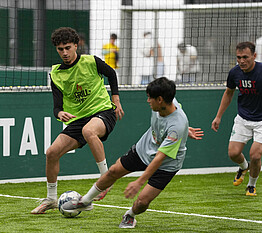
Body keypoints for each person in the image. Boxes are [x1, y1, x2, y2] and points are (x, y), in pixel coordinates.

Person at [62, 77, 204, 228]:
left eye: (150, 98)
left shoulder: (177, 127)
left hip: (166, 165)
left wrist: (139, 182)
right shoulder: (171, 104)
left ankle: (130, 215)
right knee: (113, 171)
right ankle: (85, 202)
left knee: (142, 202)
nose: (148, 101)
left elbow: (159, 158)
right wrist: (184, 130)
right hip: (144, 149)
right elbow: (174, 120)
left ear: (160, 100)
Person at [30, 27, 125, 214]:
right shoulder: (56, 74)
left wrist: (116, 99)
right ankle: (50, 199)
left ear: (76, 45)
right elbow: (56, 107)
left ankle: (105, 180)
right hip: (78, 120)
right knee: (51, 153)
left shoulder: (91, 61)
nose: (64, 52)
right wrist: (59, 114)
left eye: (67, 48)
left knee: (89, 131)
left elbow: (111, 74)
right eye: (60, 49)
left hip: (103, 112)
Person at [212, 41, 262, 196]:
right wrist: (218, 116)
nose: (241, 61)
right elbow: (228, 93)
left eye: (245, 57)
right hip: (243, 118)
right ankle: (243, 167)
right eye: (238, 57)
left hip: (261, 121)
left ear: (254, 56)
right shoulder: (235, 72)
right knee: (233, 154)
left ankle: (251, 185)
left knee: (255, 154)